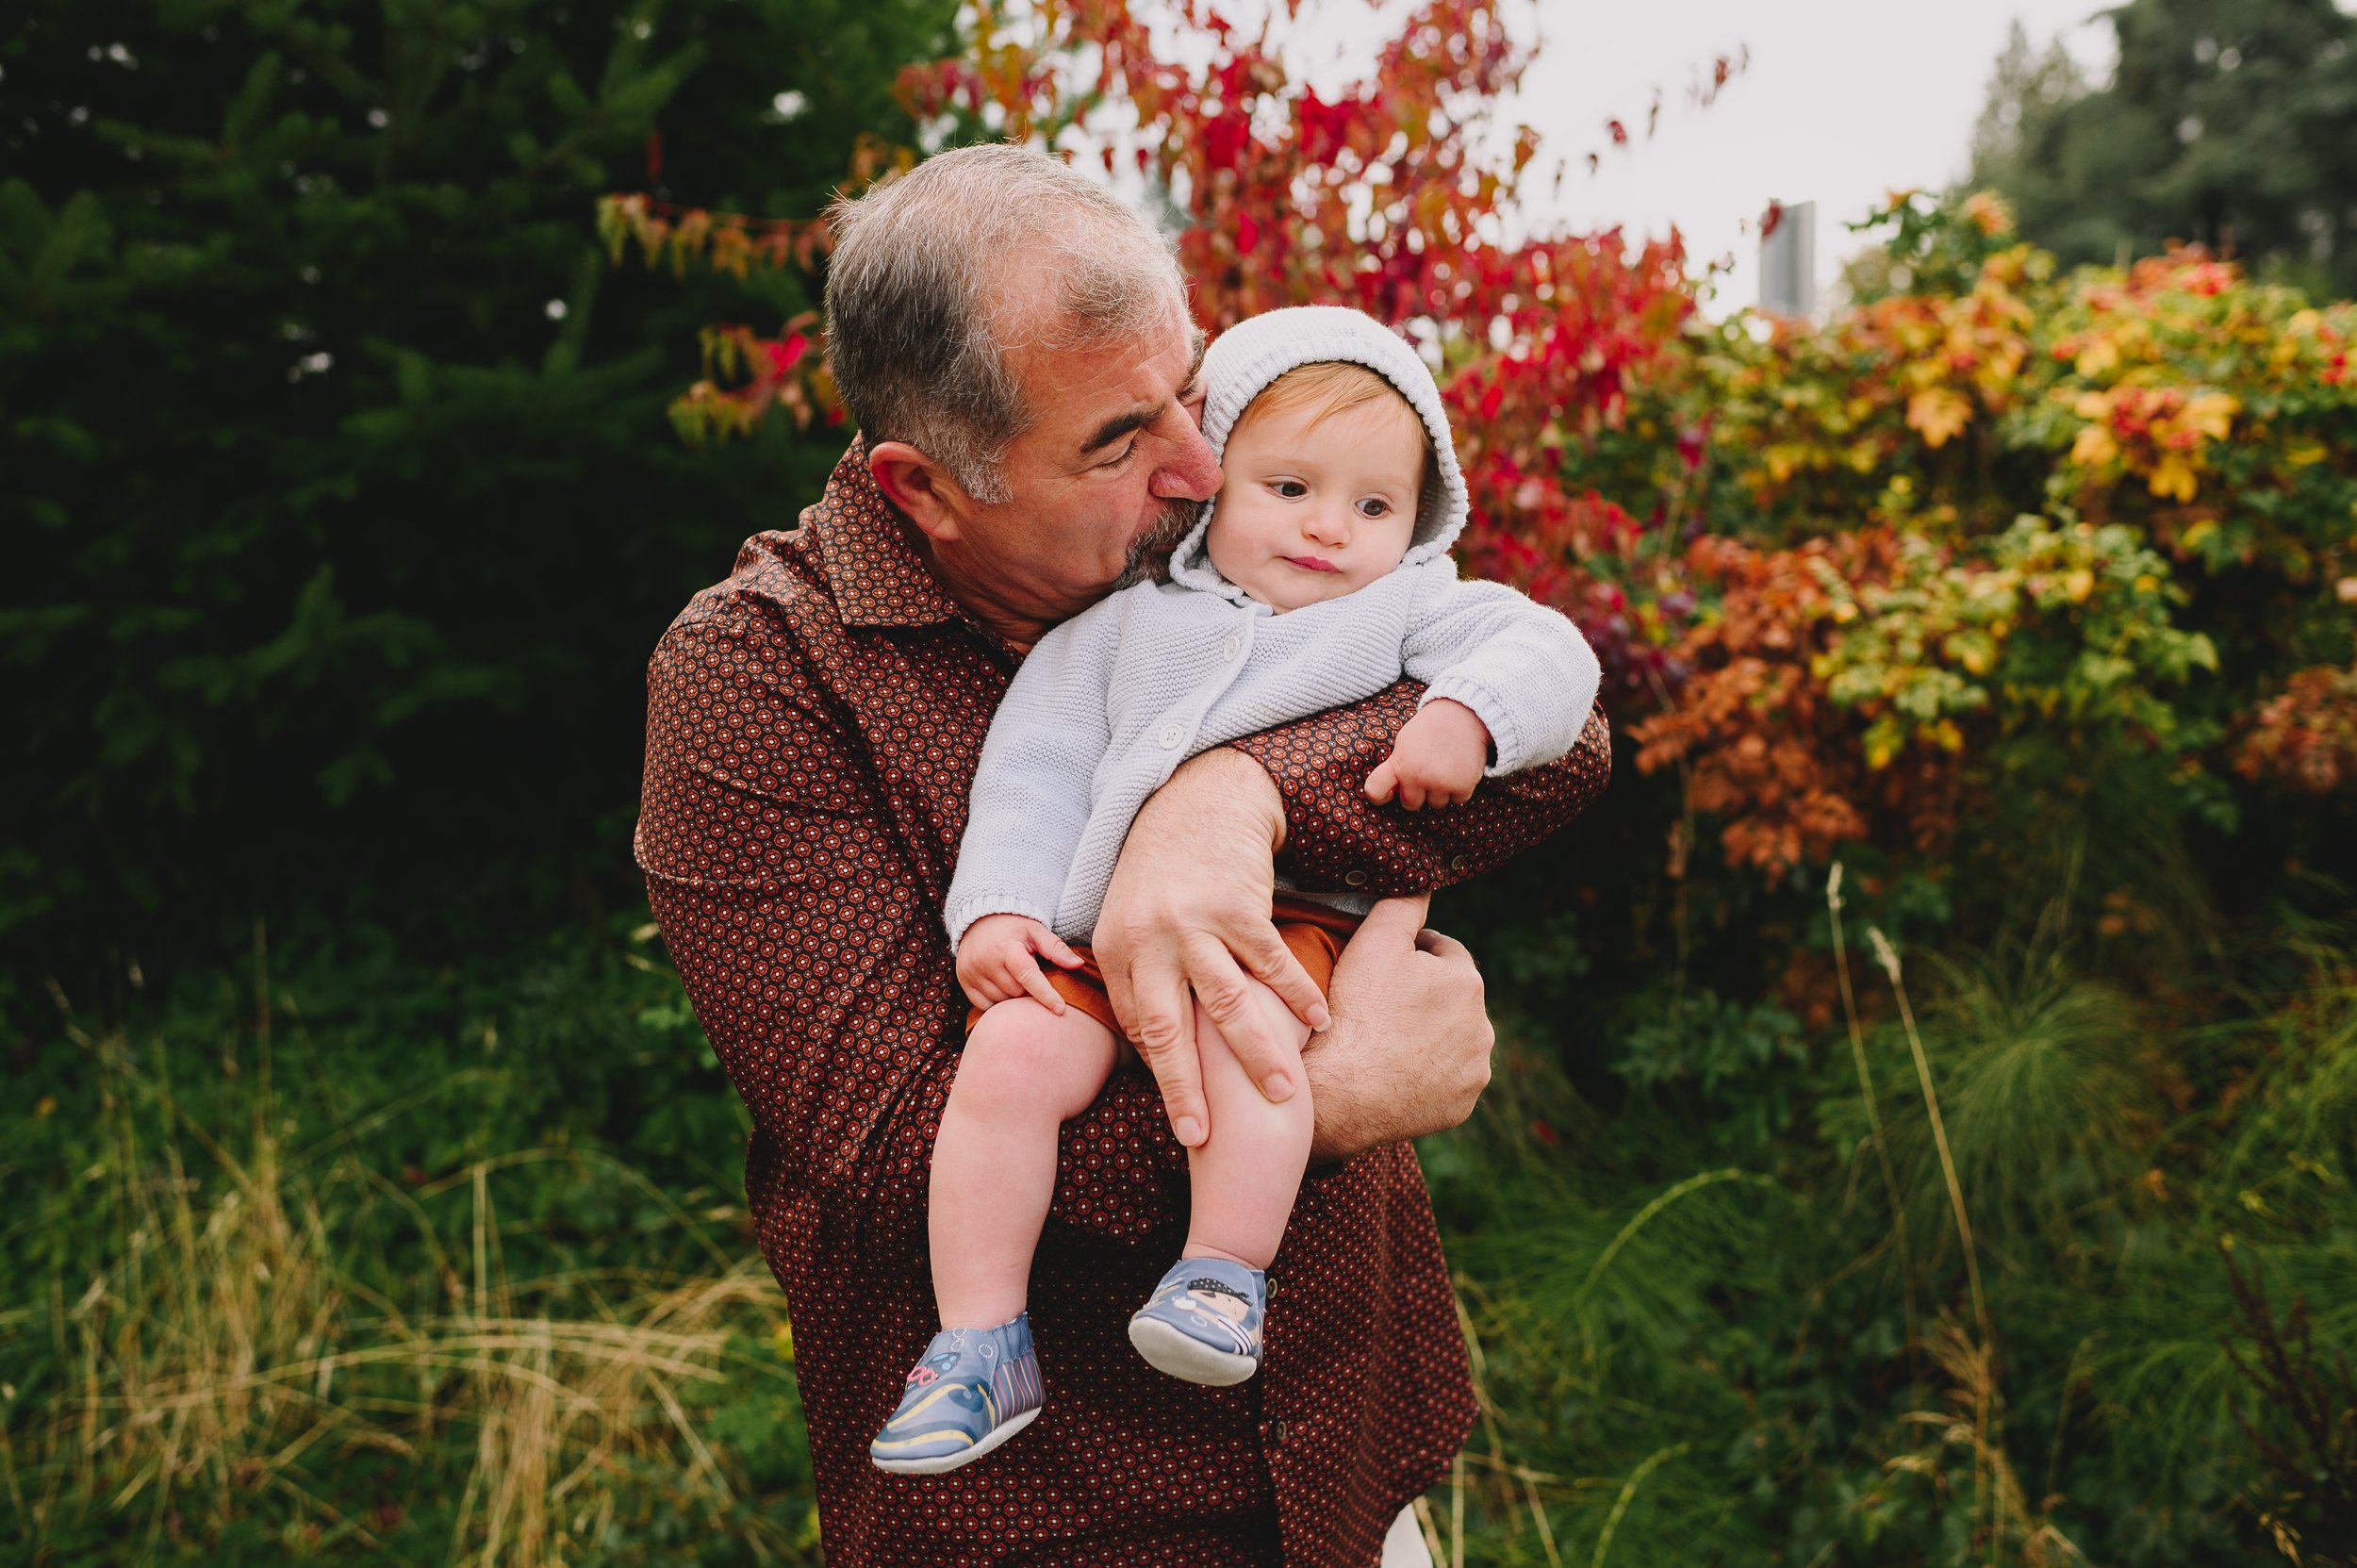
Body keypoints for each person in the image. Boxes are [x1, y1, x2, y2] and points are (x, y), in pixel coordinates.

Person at [635, 143, 1611, 1567]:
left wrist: (1229, 798)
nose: (1201, 463)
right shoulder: (757, 679)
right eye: (1118, 438)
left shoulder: (1219, 529)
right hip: (1066, 1514)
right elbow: (899, 1152)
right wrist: (1323, 1097)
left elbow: (1560, 745)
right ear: (926, 486)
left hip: (1349, 1455)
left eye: (1188, 388)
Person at [871, 307, 1602, 1477]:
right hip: (1093, 932)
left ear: (1419, 521)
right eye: (1289, 485)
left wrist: (1465, 714)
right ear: (1215, 482)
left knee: (1249, 1035)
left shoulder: (1408, 607)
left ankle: (1221, 1273)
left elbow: (1551, 655)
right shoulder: (1121, 626)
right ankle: (977, 1338)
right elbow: (1036, 768)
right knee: (1006, 1055)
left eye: (1374, 506)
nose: (1328, 527)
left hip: (1286, 927)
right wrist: (998, 910)